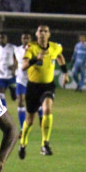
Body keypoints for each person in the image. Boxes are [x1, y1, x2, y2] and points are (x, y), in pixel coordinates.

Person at [18, 24, 70, 158]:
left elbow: (60, 56)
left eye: (45, 31)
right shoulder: (31, 48)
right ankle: (23, 143)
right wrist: (36, 59)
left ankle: (45, 144)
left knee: (47, 109)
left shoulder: (55, 47)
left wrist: (65, 73)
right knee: (30, 120)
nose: (42, 33)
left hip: (48, 86)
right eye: (40, 31)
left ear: (49, 34)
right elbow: (23, 66)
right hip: (33, 87)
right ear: (36, 34)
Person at [0, 33, 17, 107]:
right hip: (1, 76)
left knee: (14, 97)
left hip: (11, 76)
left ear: (6, 39)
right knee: (0, 93)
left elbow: (17, 59)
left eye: (3, 37)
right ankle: (3, 109)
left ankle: (14, 94)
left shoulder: (12, 47)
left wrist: (14, 69)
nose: (1, 39)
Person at [13, 32, 32, 129]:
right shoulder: (17, 49)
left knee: (34, 102)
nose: (26, 40)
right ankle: (22, 127)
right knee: (20, 102)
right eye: (24, 38)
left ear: (30, 39)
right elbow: (16, 61)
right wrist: (13, 72)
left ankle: (41, 122)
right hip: (20, 79)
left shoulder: (34, 49)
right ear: (21, 39)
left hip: (32, 79)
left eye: (27, 38)